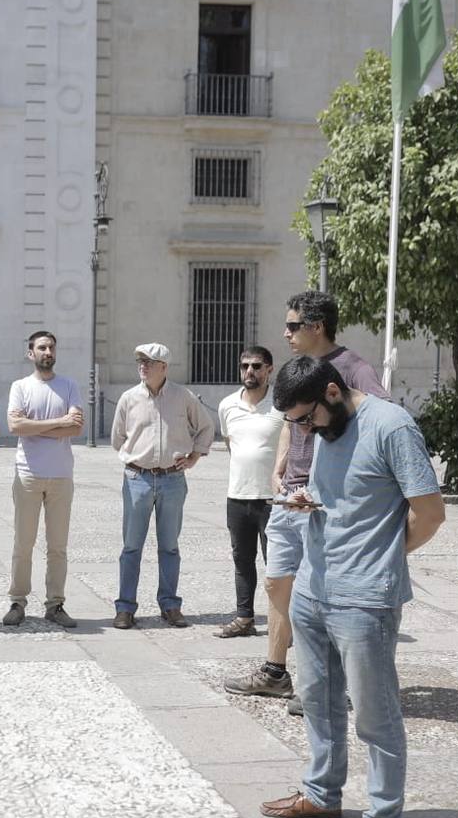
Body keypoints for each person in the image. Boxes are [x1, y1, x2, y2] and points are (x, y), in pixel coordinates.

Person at [258, 356, 444, 818]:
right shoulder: (326, 428)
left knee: (374, 713)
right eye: (293, 423)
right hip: (313, 586)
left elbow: (430, 513)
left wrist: (384, 550)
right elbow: (345, 496)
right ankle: (321, 794)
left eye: (305, 419)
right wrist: (308, 501)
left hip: (365, 597)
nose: (301, 430)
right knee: (316, 698)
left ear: (334, 393)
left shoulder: (392, 426)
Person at [224, 291, 389, 707]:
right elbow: (287, 421)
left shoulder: (355, 368)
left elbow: (378, 423)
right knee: (279, 584)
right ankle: (276, 672)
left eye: (294, 325)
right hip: (288, 497)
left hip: (325, 503)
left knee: (324, 592)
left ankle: (325, 684)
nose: (286, 333)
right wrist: (280, 467)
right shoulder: (298, 369)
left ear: (317, 326)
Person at [110, 343, 214, 629]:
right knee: (131, 546)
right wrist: (137, 458)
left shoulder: (184, 397)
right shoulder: (128, 398)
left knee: (169, 546)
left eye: (149, 361)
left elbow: (206, 427)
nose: (142, 365)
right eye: (140, 360)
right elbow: (118, 438)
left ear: (164, 367)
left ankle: (170, 605)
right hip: (137, 479)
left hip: (172, 479)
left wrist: (194, 455)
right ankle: (125, 608)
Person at [3, 330, 84, 627]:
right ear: (30, 353)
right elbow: (14, 425)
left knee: (57, 546)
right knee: (23, 543)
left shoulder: (69, 385)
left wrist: (35, 427)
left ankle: (55, 604)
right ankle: (17, 601)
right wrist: (58, 423)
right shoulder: (20, 386)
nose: (47, 352)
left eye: (51, 347)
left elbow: (75, 429)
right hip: (28, 475)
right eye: (41, 347)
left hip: (61, 475)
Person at [214, 346, 283, 638]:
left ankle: (283, 626)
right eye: (244, 366)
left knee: (277, 565)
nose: (249, 372)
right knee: (242, 561)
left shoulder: (281, 406)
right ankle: (244, 619)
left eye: (256, 366)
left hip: (272, 499)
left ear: (269, 369)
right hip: (238, 496)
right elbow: (232, 445)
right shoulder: (227, 405)